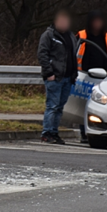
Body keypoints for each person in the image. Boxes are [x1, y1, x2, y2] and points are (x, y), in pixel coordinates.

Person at [37, 9, 79, 144]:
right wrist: (49, 73)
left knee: (60, 107)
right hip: (55, 77)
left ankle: (54, 132)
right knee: (52, 106)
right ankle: (47, 132)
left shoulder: (71, 36)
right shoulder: (49, 35)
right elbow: (42, 54)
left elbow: (73, 57)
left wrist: (74, 74)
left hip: (67, 78)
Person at [77, 10, 107, 144]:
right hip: (84, 75)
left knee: (99, 105)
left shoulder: (106, 36)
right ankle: (84, 132)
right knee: (83, 105)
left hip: (102, 77)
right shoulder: (82, 35)